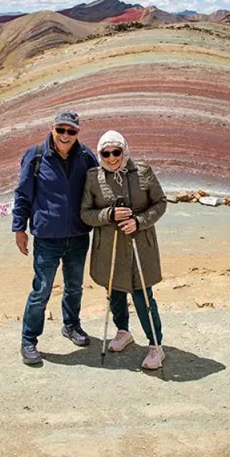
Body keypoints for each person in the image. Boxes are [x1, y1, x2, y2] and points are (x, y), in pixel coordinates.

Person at [12, 110, 98, 365]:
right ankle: (29, 340)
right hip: (47, 238)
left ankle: (71, 325)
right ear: (52, 129)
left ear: (77, 134)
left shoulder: (86, 157)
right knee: (41, 290)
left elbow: (99, 188)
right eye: (61, 130)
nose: (65, 135)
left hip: (78, 235)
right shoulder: (36, 156)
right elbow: (23, 194)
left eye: (71, 131)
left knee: (74, 287)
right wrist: (19, 228)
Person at [80, 131, 167, 370]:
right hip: (109, 247)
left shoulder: (142, 172)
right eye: (105, 153)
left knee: (143, 296)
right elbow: (85, 213)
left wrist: (139, 221)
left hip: (140, 245)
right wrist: (108, 215)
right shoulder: (93, 178)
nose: (111, 158)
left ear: (124, 151)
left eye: (116, 152)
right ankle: (122, 331)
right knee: (115, 292)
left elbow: (160, 203)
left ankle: (156, 345)